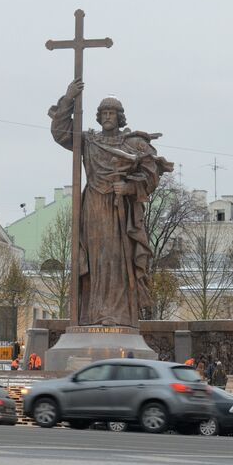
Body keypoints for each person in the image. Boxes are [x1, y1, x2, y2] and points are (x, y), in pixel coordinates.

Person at [49, 79, 173, 328]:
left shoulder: (133, 144)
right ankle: (92, 314)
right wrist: (68, 99)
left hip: (119, 210)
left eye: (112, 113)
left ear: (120, 117)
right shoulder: (89, 141)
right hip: (93, 207)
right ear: (98, 117)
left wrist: (130, 187)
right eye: (103, 113)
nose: (107, 117)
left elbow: (152, 174)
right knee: (95, 261)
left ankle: (117, 315)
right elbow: (61, 133)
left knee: (116, 261)